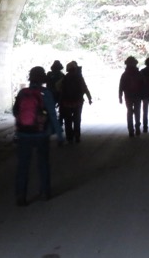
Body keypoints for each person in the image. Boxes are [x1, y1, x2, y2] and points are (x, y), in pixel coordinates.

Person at [13, 66, 65, 206]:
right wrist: (59, 134)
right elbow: (52, 115)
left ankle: (21, 195)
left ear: (30, 78)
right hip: (41, 134)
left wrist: (19, 129)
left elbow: (16, 112)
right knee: (43, 163)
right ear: (43, 79)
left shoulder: (22, 93)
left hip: (24, 134)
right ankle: (44, 192)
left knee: (23, 165)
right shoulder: (46, 93)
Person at [59, 60, 92, 143]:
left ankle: (69, 137)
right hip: (78, 102)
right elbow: (85, 88)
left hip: (66, 103)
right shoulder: (79, 77)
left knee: (68, 120)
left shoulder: (65, 78)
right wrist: (89, 98)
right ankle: (77, 136)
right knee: (77, 119)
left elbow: (58, 87)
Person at [118, 56, 143, 137]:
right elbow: (143, 85)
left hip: (128, 95)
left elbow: (121, 86)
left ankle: (131, 130)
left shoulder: (125, 74)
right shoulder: (139, 74)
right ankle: (137, 128)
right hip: (138, 95)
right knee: (137, 111)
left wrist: (120, 96)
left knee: (129, 112)